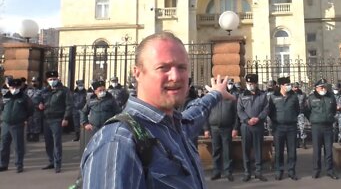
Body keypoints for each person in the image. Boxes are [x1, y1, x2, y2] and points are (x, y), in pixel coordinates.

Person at [80, 32, 235, 188]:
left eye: (182, 67)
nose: (175, 76)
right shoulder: (118, 141)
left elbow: (195, 113)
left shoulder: (174, 126)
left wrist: (216, 93)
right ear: (137, 73)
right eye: (163, 67)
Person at [36, 70, 73, 173]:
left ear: (58, 78)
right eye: (50, 79)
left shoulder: (64, 90)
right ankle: (51, 161)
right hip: (46, 119)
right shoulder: (44, 91)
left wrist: (65, 118)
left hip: (58, 119)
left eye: (54, 79)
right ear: (47, 80)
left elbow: (69, 105)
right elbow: (37, 100)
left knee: (57, 142)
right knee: (48, 142)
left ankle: (58, 164)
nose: (52, 81)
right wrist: (39, 104)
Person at [203, 78, 239, 182]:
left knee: (227, 150)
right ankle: (216, 172)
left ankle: (228, 172)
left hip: (227, 128)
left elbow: (236, 115)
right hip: (214, 128)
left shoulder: (231, 98)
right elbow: (205, 114)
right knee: (216, 151)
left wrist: (235, 128)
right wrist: (206, 129)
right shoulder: (211, 98)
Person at [304, 78, 339, 180]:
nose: (323, 88)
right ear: (316, 88)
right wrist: (312, 119)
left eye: (324, 86)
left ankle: (330, 170)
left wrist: (330, 117)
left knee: (329, 150)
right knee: (317, 150)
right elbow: (306, 110)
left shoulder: (331, 97)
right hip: (316, 127)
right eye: (321, 87)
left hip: (328, 126)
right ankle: (316, 170)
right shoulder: (311, 98)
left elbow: (333, 110)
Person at [237, 73, 269, 182]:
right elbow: (240, 110)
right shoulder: (242, 95)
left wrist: (258, 118)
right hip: (246, 126)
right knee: (246, 149)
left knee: (258, 149)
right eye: (248, 83)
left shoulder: (262, 95)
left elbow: (266, 109)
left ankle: (258, 172)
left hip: (258, 125)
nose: (250, 85)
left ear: (256, 83)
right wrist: (247, 120)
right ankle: (247, 172)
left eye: (252, 83)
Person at [268, 76, 300, 181]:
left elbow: (297, 110)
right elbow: (270, 112)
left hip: (291, 127)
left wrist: (291, 118)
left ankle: (291, 171)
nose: (289, 86)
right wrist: (276, 120)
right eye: (287, 84)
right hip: (278, 127)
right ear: (281, 85)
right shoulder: (273, 97)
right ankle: (279, 171)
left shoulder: (293, 96)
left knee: (292, 150)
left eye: (289, 84)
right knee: (279, 151)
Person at [0, 78, 34, 173]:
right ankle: (3, 164)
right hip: (6, 123)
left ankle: (19, 165)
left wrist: (25, 119)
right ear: (9, 87)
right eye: (12, 87)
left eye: (16, 87)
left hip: (18, 124)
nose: (14, 89)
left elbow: (30, 109)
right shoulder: (5, 96)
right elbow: (2, 108)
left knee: (18, 146)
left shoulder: (24, 97)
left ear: (19, 87)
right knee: (3, 145)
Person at [26, 76, 43, 142]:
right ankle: (29, 136)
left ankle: (36, 137)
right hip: (29, 109)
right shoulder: (27, 91)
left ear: (38, 82)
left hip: (37, 109)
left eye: (35, 81)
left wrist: (41, 103)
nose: (34, 83)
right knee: (29, 122)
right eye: (33, 81)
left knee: (36, 122)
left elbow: (43, 99)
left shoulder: (41, 91)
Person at [293, 82, 308, 149]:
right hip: (293, 113)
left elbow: (306, 104)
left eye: (297, 87)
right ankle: (296, 142)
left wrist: (304, 110)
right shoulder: (290, 94)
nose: (296, 88)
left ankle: (303, 141)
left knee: (302, 127)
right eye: (295, 87)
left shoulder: (303, 94)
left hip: (300, 113)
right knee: (294, 128)